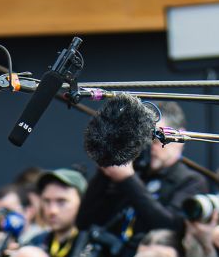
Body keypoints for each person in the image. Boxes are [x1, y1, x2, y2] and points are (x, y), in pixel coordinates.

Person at [75, 101, 209, 238]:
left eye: (156, 139)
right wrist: (106, 167)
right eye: (144, 140)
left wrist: (128, 180)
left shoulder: (191, 181)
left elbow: (171, 227)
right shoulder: (132, 171)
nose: (150, 148)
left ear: (179, 137)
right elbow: (84, 222)